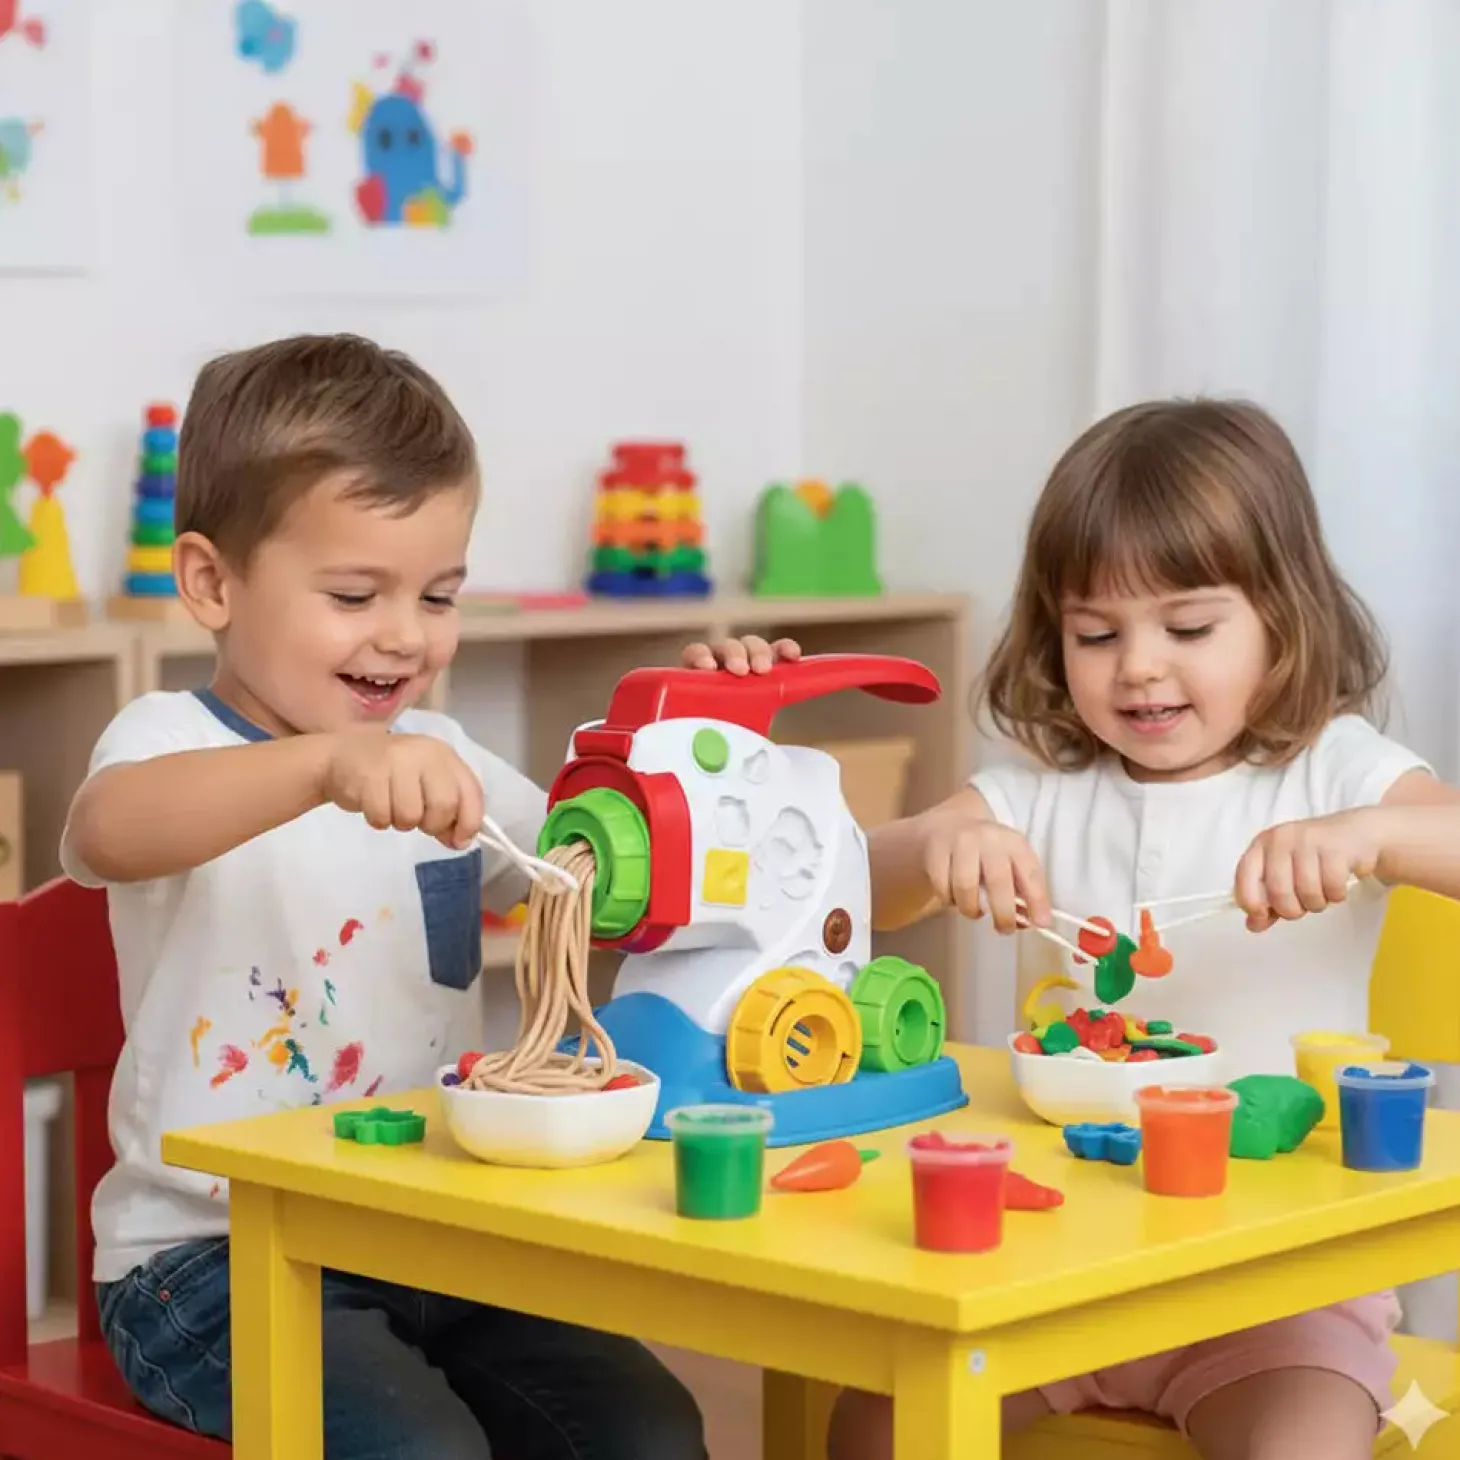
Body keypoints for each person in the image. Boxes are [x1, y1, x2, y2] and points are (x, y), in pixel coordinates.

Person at [697, 400, 1460, 1460]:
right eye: (1096, 633)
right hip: (1048, 1263)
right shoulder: (1036, 793)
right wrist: (934, 844)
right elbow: (844, 896)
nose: (1137, 665)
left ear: (1282, 618)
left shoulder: (1335, 770)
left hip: (1273, 1296)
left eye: (1186, 629)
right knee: (874, 1432)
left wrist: (1371, 834)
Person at [62, 333, 713, 1460]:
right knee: (424, 1451)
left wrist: (701, 745)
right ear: (212, 583)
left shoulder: (442, 756)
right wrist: (324, 766)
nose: (407, 635)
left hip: (437, 1231)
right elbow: (104, 831)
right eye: (355, 593)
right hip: (207, 1262)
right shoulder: (166, 739)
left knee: (649, 1428)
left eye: (439, 594)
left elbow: (610, 878)